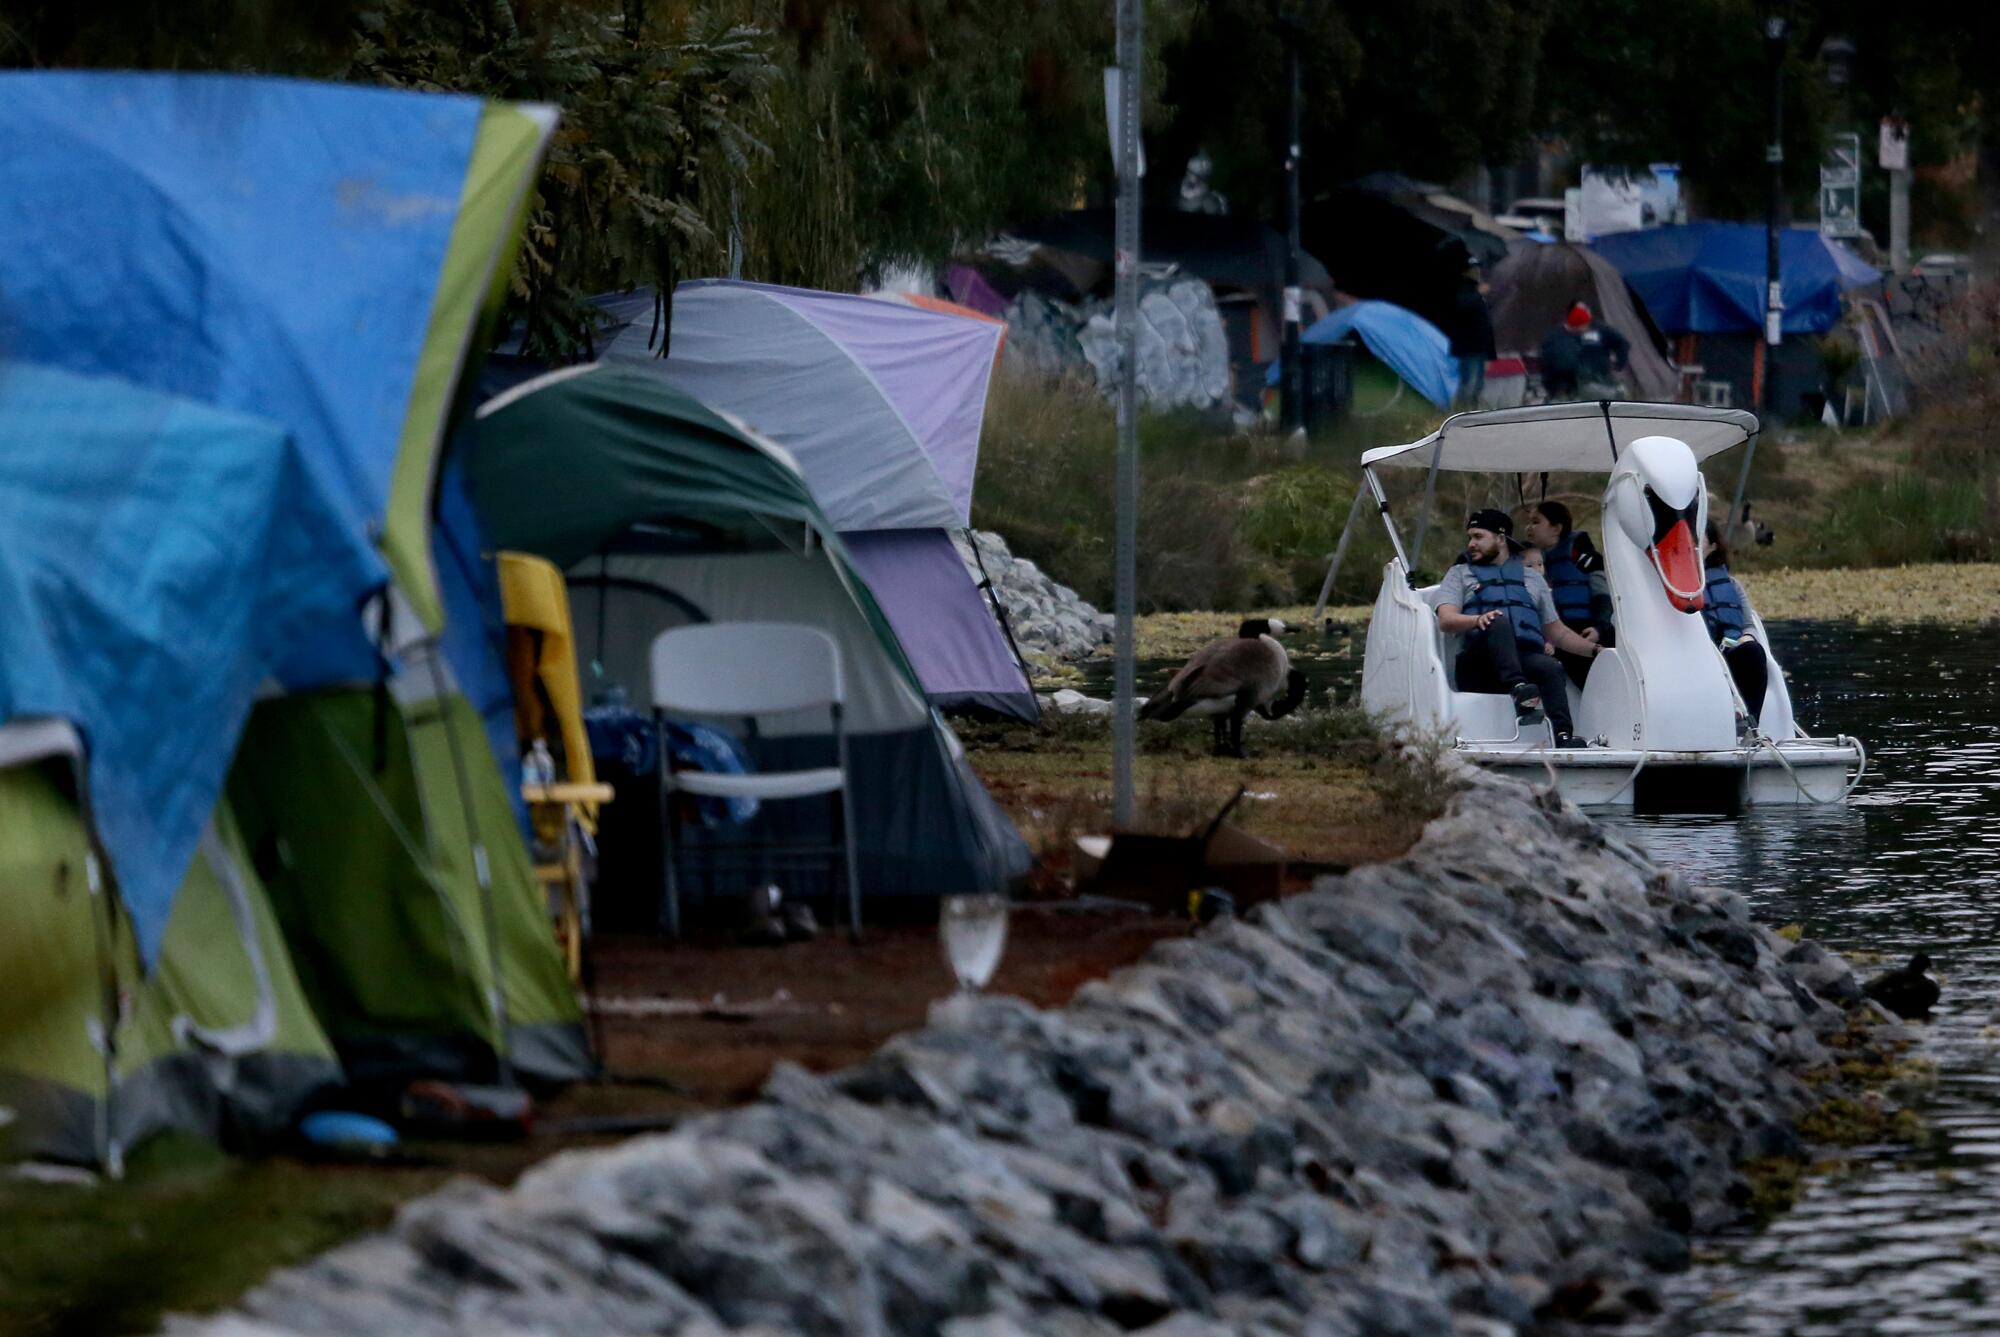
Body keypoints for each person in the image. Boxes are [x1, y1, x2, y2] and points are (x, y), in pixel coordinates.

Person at [1436, 509, 1603, 747]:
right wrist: (1477, 619)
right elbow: (1446, 619)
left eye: (1478, 536)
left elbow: (1558, 632)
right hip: (1480, 665)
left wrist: (1595, 650)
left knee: (1550, 666)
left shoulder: (1533, 579)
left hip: (1524, 659)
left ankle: (1563, 736)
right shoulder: (1459, 574)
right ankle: (1520, 690)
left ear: (1501, 539)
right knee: (1498, 620)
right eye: (1470, 537)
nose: (1471, 544)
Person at [1522, 499, 1615, 686]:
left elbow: (1603, 596)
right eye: (1529, 521)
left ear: (1556, 528)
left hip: (1587, 630)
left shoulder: (1583, 555)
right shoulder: (1525, 560)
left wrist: (1599, 628)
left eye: (1536, 522)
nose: (1528, 528)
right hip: (1553, 635)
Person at [1701, 519, 1770, 733]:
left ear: (1712, 547)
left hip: (1727, 648)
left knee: (1752, 652)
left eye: (1698, 541)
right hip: (1696, 656)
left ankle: (1749, 724)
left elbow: (1748, 624)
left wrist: (1747, 637)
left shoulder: (1732, 586)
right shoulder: (1676, 589)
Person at [1537, 302, 1630, 401]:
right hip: (1567, 386)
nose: (1587, 329)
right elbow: (1568, 366)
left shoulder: (1573, 336)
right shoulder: (1560, 341)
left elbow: (1622, 343)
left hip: (1583, 381)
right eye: (1586, 326)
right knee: (1614, 396)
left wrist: (1617, 365)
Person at [1446, 259, 1496, 408]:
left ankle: (1472, 411)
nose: (1477, 272)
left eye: (1478, 268)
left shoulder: (1476, 290)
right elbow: (1461, 307)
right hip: (1468, 346)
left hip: (1479, 345)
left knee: (1478, 384)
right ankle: (1461, 411)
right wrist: (1478, 294)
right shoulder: (1463, 288)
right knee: (1469, 382)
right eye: (1474, 269)